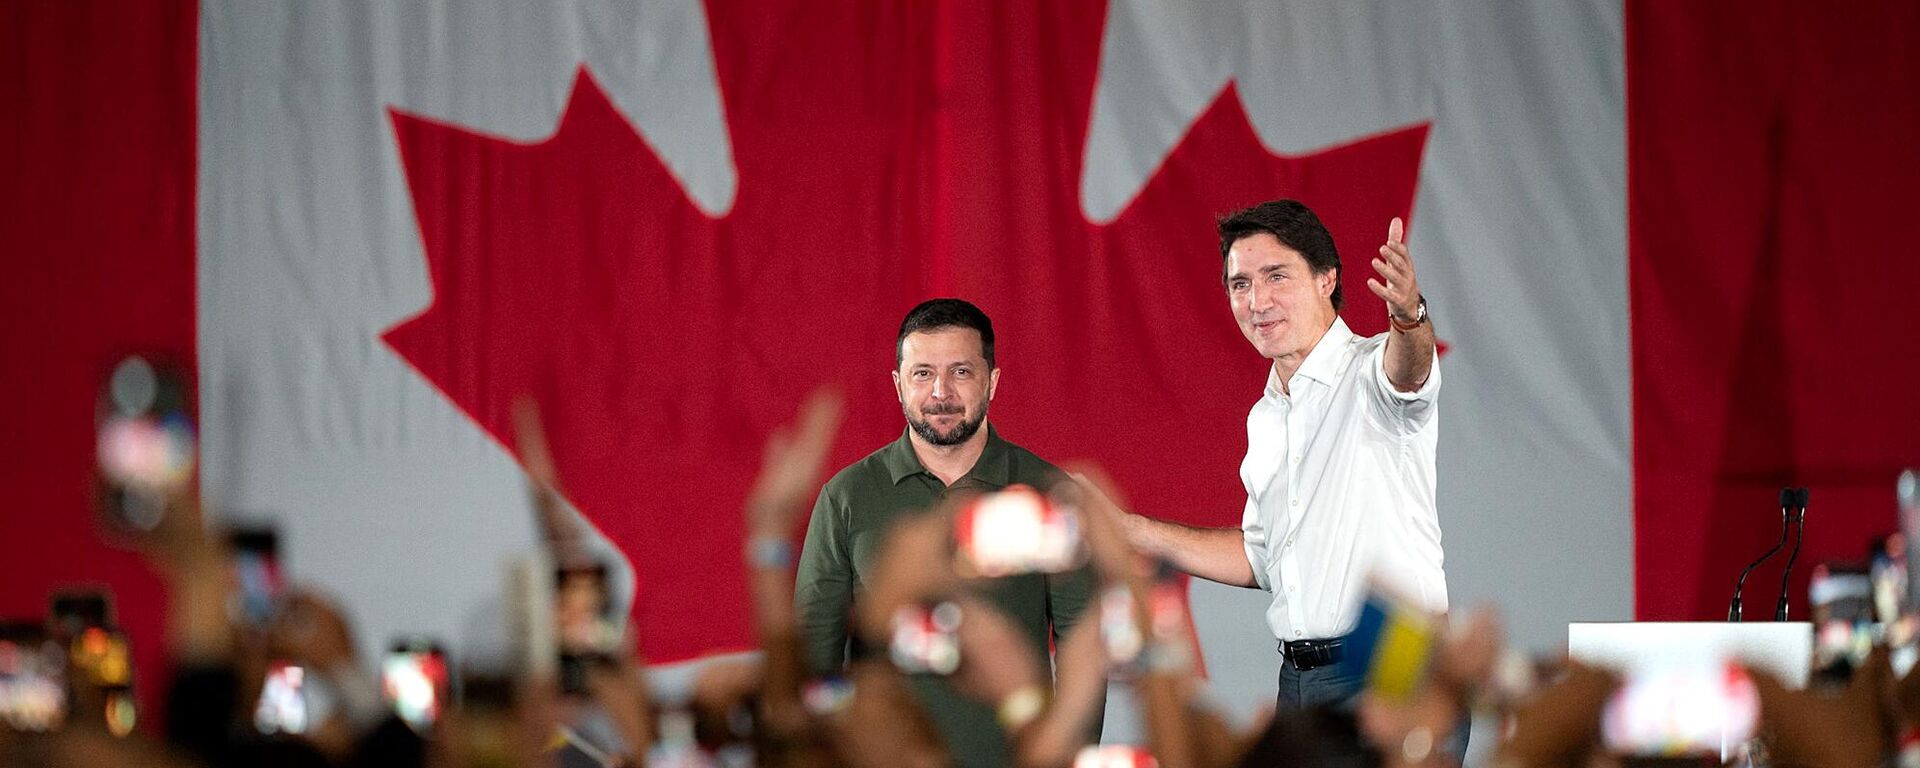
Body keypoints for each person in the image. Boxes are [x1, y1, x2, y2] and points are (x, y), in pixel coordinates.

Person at [1108, 199, 1446, 711]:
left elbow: (1409, 370)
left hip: (1392, 668)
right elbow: (1261, 558)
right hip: (1300, 680)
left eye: (1276, 276)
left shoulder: (1371, 370)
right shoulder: (1265, 416)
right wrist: (1131, 530)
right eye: (1240, 284)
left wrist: (1408, 316)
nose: (1258, 301)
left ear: (1326, 279)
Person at [794, 298, 1099, 767]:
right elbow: (814, 656)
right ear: (898, 384)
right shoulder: (846, 496)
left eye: (960, 372)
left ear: (991, 381)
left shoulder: (1049, 492)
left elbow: (1085, 649)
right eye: (923, 373)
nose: (941, 392)